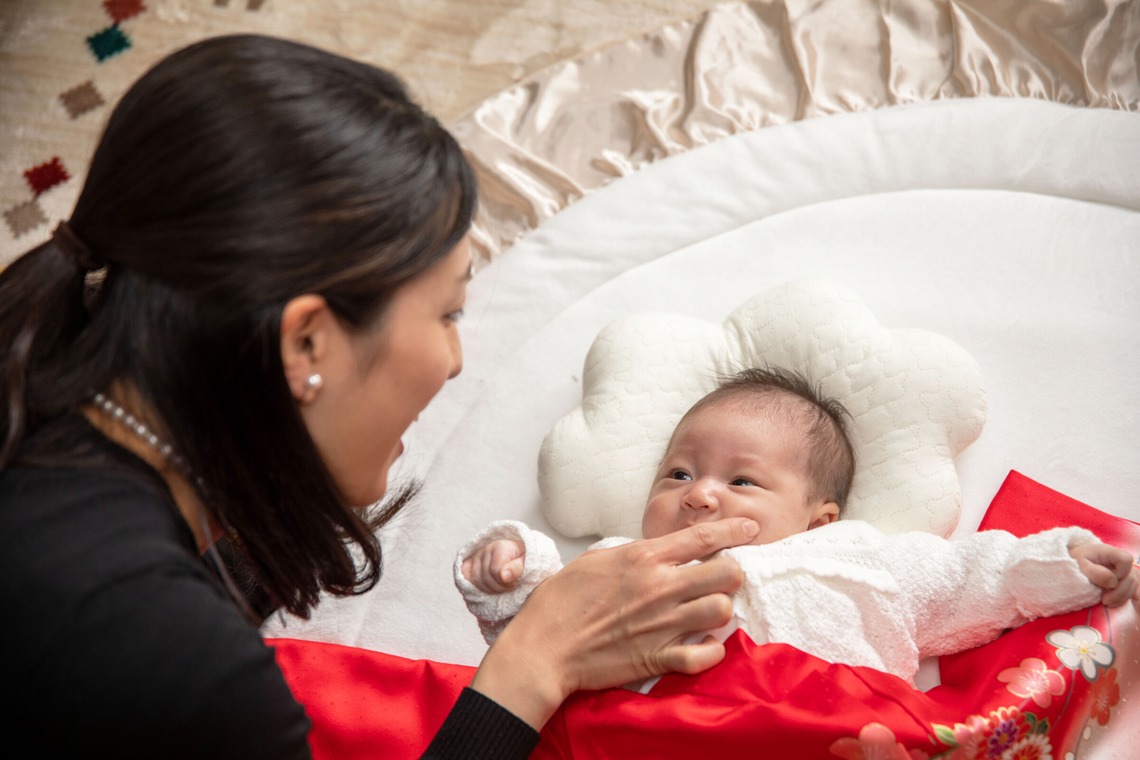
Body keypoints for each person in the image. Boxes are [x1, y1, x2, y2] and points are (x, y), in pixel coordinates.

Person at [0, 34, 760, 759]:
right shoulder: (174, 658)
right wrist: (535, 660)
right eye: (447, 313)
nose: (456, 361)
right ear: (306, 344)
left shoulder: (53, 441)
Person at [457, 367, 1140, 688]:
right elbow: (541, 638)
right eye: (679, 475)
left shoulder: (857, 560)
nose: (699, 497)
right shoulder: (626, 563)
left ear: (820, 519)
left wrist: (1062, 561)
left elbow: (967, 579)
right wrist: (514, 570)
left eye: (742, 481)